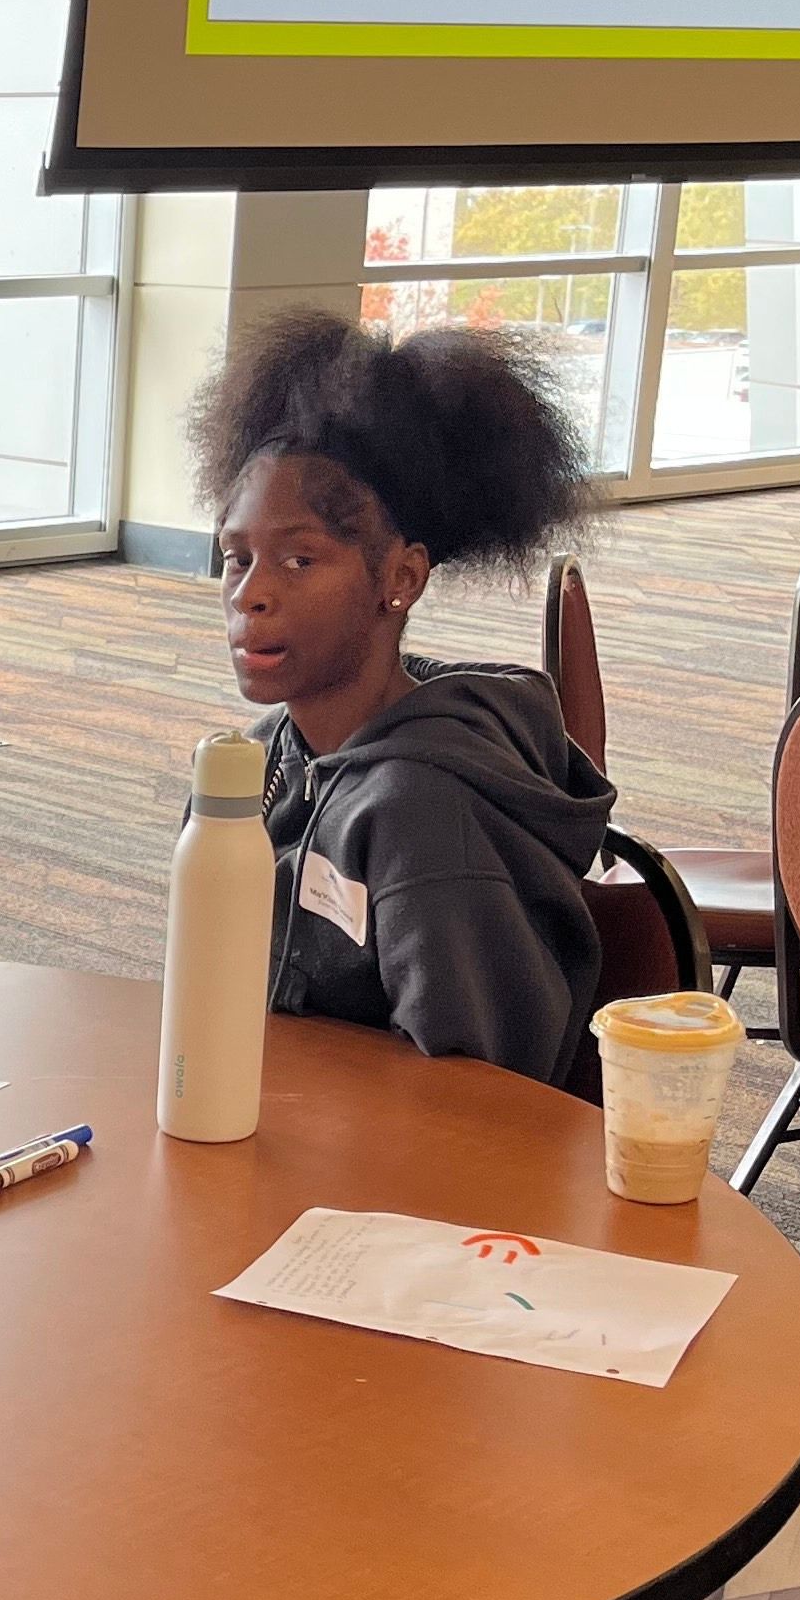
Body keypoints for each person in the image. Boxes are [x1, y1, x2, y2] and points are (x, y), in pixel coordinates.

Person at [193, 312, 613, 1088]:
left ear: (401, 580)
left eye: (299, 559)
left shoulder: (425, 818)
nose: (251, 596)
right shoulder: (261, 762)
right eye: (237, 559)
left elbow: (473, 1107)